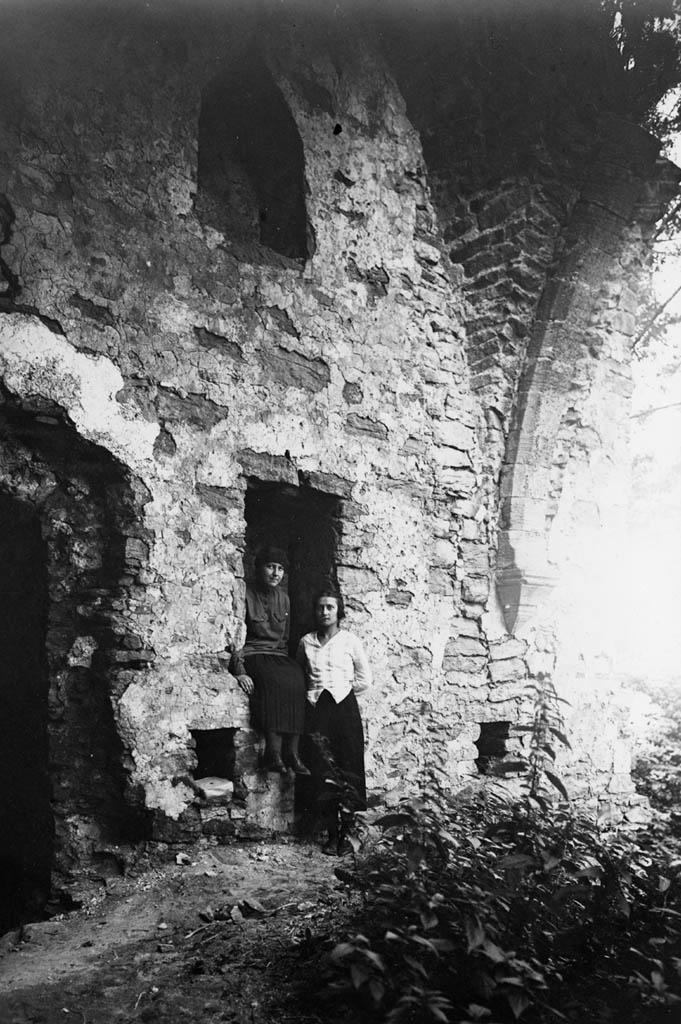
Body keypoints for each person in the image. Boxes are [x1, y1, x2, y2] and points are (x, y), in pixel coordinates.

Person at [296, 588, 372, 854]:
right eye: (320, 607)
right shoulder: (306, 642)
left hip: (344, 709)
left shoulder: (350, 641)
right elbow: (301, 675)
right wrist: (314, 697)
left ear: (339, 611)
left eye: (329, 607)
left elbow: (365, 679)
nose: (324, 612)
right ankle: (330, 833)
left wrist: (343, 695)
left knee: (349, 767)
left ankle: (348, 834)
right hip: (318, 711)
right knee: (323, 771)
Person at [230, 546, 310, 775]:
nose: (276, 573)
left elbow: (284, 640)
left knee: (297, 677)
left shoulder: (284, 599)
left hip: (277, 655)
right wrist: (240, 669)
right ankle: (273, 753)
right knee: (273, 679)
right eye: (270, 567)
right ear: (258, 568)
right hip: (253, 654)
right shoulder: (245, 594)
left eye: (280, 569)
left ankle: (292, 754)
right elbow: (236, 637)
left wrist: (287, 664)